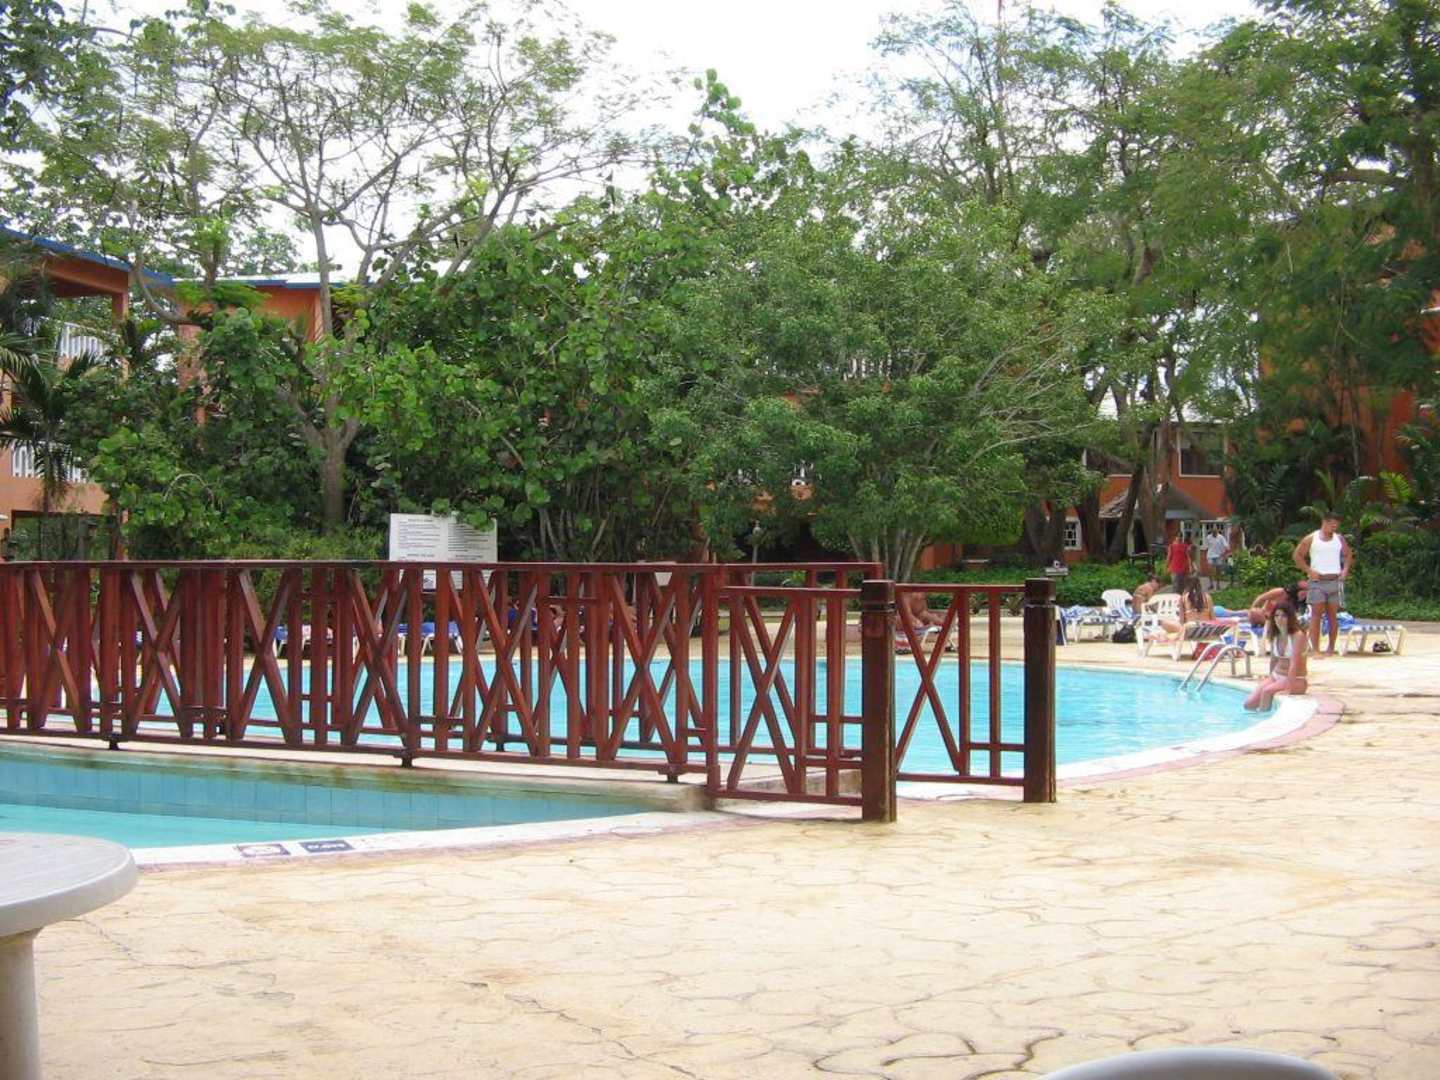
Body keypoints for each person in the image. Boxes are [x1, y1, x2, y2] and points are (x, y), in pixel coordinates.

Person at [1293, 512, 1353, 655]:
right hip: (1317, 581)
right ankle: (1316, 650)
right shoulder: (1312, 538)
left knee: (1332, 615)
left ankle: (1331, 647)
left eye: (1336, 525)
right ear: (1324, 522)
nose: (1334, 527)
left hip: (1334, 580)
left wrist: (1345, 570)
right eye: (1332, 524)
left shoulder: (1339, 539)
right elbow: (1297, 555)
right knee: (1316, 615)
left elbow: (1348, 555)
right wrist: (1309, 570)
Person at [1244, 600, 1308, 710]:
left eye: (1283, 616)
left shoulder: (1297, 636)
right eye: (1276, 616)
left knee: (1267, 692)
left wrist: (1289, 685)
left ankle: (1262, 717)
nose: (1279, 619)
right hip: (1276, 676)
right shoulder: (1275, 635)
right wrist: (1270, 679)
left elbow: (1294, 663)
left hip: (1295, 678)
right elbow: (1273, 660)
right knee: (1249, 704)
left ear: (1290, 618)